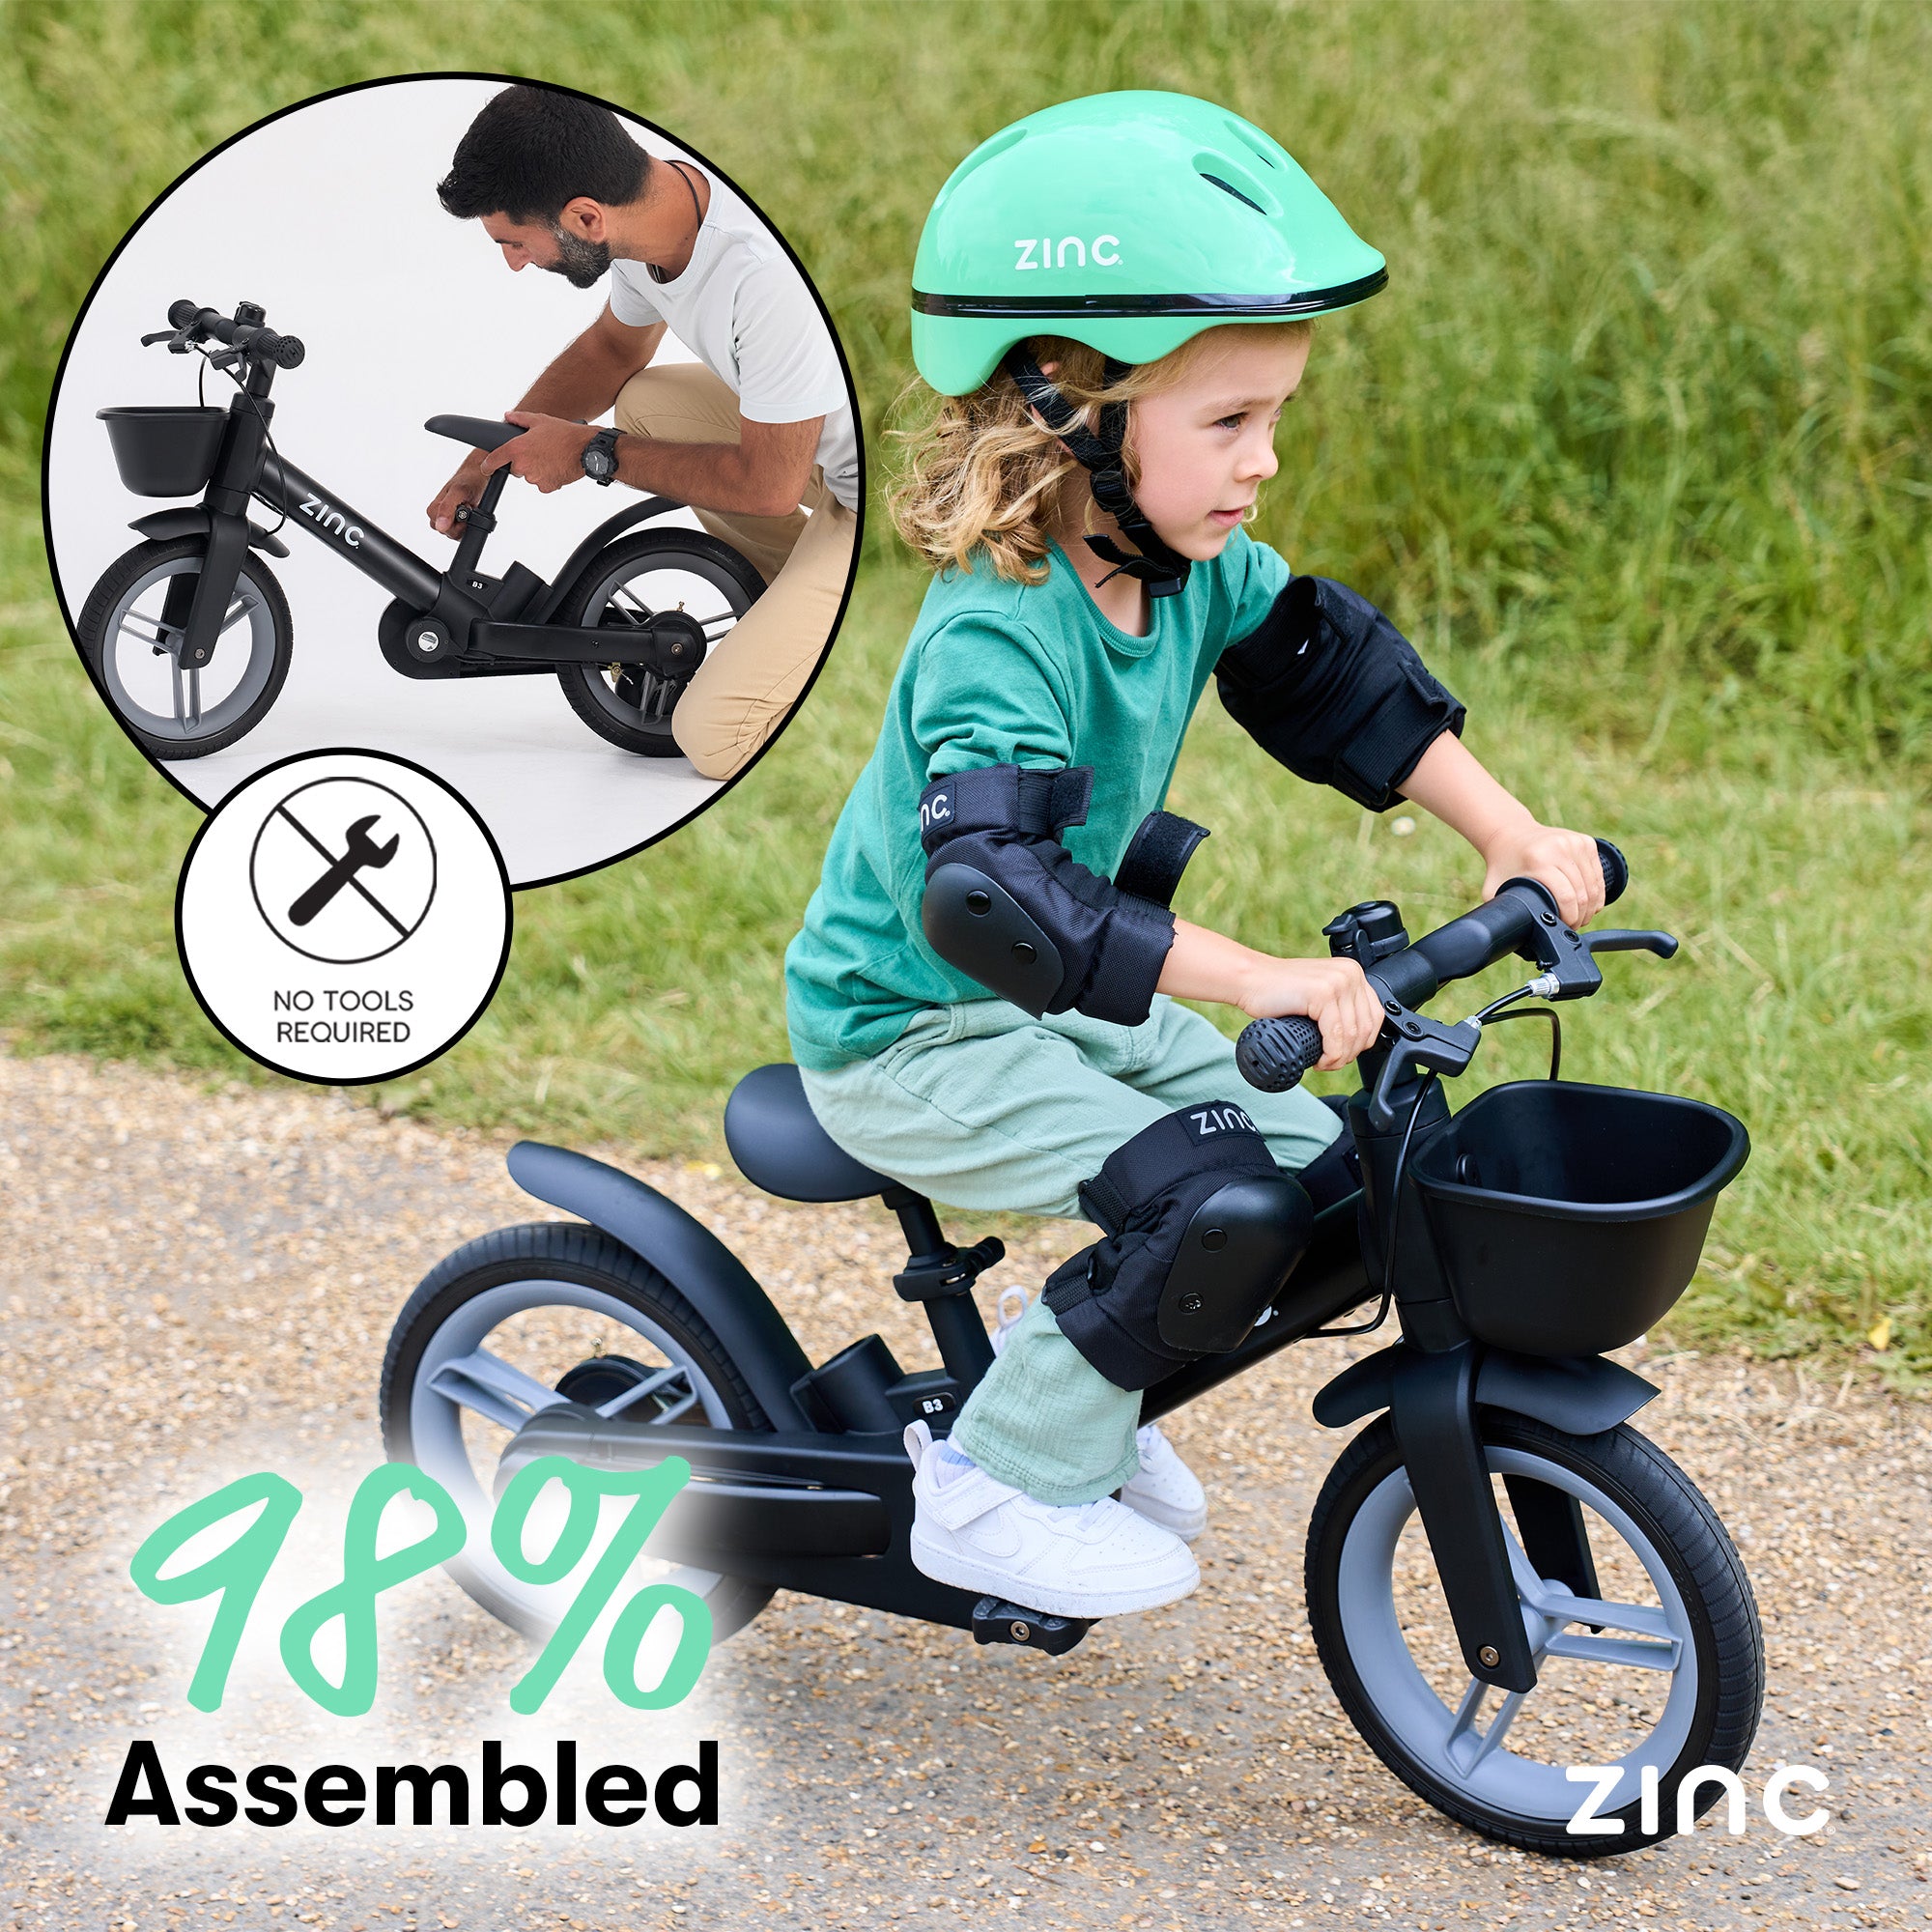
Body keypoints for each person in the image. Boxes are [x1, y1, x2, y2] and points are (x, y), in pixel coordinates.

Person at [781, 92, 1609, 1622]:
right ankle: (998, 1474)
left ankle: (1065, 1373)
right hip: (912, 1027)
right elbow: (993, 899)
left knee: (1321, 1172)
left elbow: (1333, 676)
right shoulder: (998, 637)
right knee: (1217, 1202)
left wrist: (1509, 832)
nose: (1264, 462)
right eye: (1228, 423)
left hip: (1056, 1002)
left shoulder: (1194, 572)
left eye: (1274, 418)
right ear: (1072, 414)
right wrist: (1258, 977)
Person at [429, 84, 859, 780]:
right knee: (647, 397)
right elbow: (612, 352)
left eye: (513, 241)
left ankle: (844, 617)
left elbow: (770, 486)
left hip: (883, 500)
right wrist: (489, 460)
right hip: (816, 433)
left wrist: (592, 453)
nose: (512, 261)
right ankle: (794, 598)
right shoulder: (646, 212)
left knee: (713, 738)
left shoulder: (760, 278)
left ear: (585, 217)